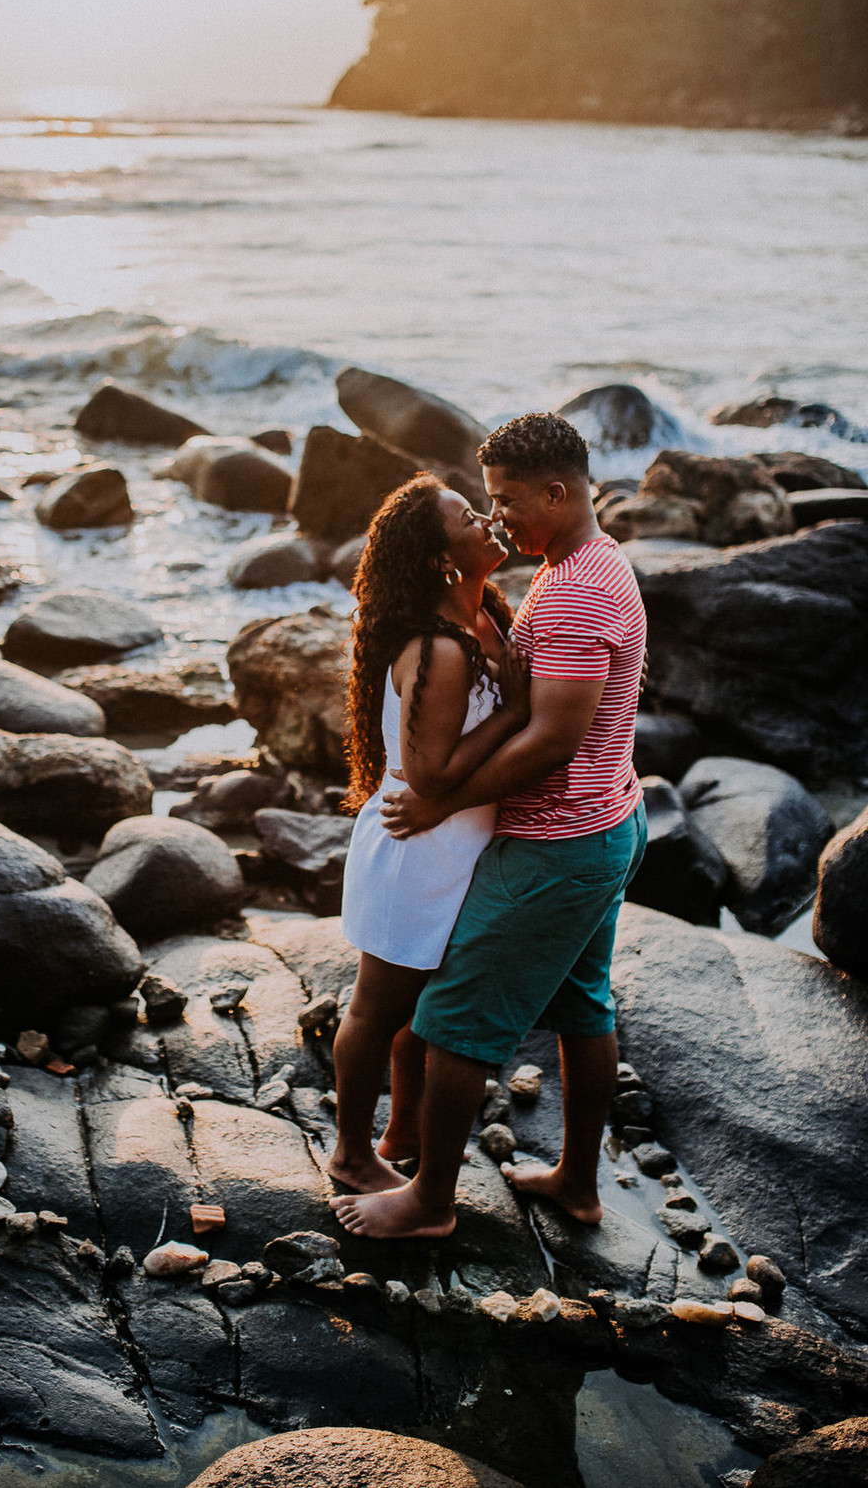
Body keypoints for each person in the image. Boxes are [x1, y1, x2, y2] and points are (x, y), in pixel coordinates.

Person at [332, 412, 647, 1240]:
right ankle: (578, 1183)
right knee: (584, 1008)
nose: (497, 515)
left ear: (557, 491)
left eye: (506, 500)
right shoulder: (582, 566)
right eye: (484, 505)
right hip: (602, 821)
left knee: (453, 1026)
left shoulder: (576, 591)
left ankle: (430, 1202)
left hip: (559, 843)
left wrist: (436, 802)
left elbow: (552, 737)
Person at [326, 472, 532, 1195]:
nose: (488, 522)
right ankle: (351, 1154)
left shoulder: (488, 619)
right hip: (417, 849)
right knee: (377, 1008)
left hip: (457, 844)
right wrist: (514, 712)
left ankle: (405, 1131)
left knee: (427, 1006)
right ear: (442, 559)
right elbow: (431, 774)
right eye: (469, 518)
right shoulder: (440, 649)